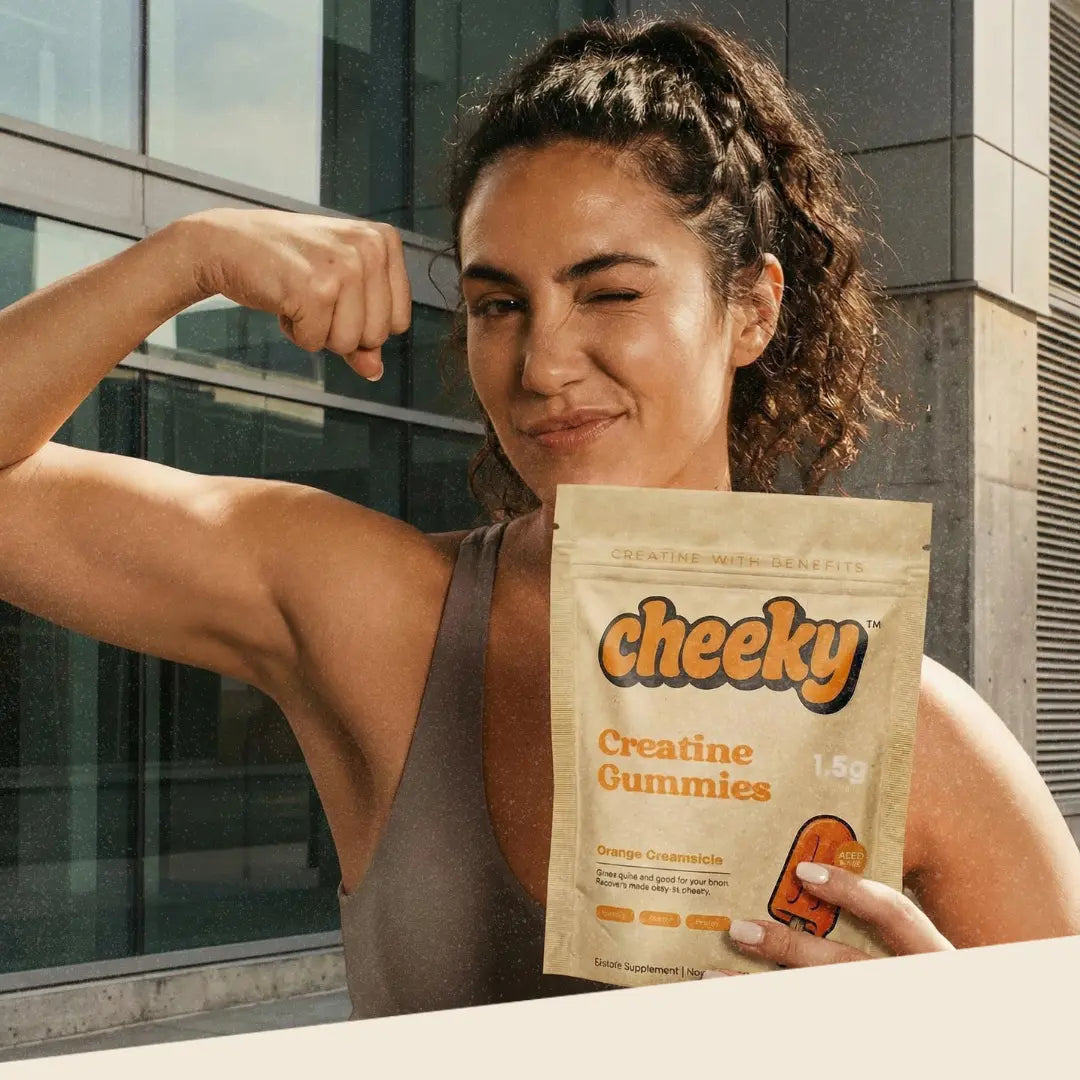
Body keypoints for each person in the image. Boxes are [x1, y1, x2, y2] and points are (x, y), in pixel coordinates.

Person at [1, 15, 1078, 1019]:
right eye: (498, 304)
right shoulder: (388, 618)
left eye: (609, 293)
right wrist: (183, 259)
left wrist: (961, 1041)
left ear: (750, 307)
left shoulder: (911, 729)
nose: (546, 363)